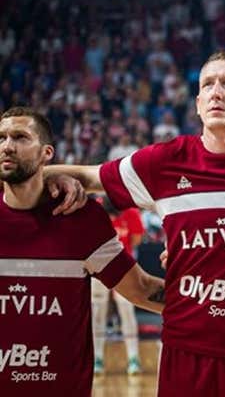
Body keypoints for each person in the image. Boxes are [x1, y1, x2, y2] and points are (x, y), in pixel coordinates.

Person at [45, 52, 225, 396]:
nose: (216, 92)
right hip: (186, 351)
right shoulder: (164, 162)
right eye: (208, 84)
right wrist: (55, 178)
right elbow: (89, 176)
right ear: (196, 103)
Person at [0, 107, 164, 397]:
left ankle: (131, 358)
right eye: (1, 138)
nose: (7, 146)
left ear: (47, 153)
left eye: (20, 137)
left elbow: (141, 289)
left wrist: (216, 306)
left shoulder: (81, 218)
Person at [91, 196, 146, 375]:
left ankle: (133, 358)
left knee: (127, 311)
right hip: (98, 268)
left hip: (124, 269)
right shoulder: (95, 210)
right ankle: (97, 358)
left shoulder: (131, 212)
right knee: (97, 313)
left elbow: (137, 239)